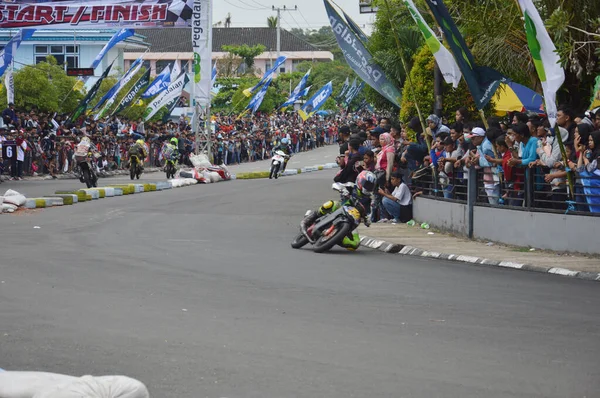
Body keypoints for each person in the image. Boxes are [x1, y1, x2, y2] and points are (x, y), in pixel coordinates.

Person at [301, 171, 376, 251]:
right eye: (367, 184)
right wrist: (342, 190)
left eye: (371, 186)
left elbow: (369, 213)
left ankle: (337, 238)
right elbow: (335, 185)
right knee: (331, 204)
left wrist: (366, 219)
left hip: (351, 220)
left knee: (355, 244)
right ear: (360, 180)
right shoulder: (350, 186)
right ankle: (311, 217)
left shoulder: (369, 199)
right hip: (339, 209)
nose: (368, 187)